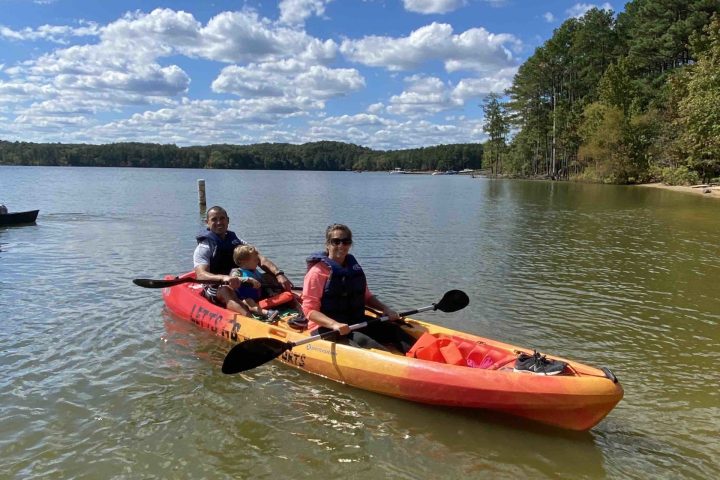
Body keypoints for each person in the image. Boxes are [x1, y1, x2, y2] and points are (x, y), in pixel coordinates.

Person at [302, 223, 415, 353]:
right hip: (327, 328)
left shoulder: (353, 268)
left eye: (346, 241)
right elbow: (309, 310)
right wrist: (334, 324)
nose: (341, 245)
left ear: (350, 244)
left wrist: (386, 309)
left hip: (356, 321)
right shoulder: (316, 273)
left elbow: (366, 296)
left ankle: (424, 356)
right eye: (336, 241)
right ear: (327, 244)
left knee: (395, 331)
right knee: (365, 342)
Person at [193, 205, 292, 316]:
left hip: (242, 280)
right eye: (214, 219)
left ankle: (293, 305)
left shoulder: (236, 240)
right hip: (217, 286)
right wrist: (225, 278)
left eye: (222, 218)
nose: (219, 222)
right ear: (207, 222)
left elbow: (260, 259)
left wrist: (279, 274)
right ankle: (249, 318)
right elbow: (200, 275)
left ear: (228, 220)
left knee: (270, 276)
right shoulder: (204, 247)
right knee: (226, 290)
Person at [229, 244, 279, 321]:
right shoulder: (237, 272)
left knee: (268, 277)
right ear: (243, 261)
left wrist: (270, 291)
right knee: (249, 301)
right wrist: (248, 279)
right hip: (244, 299)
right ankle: (267, 313)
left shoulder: (256, 271)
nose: (258, 261)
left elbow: (264, 284)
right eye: (255, 260)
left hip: (258, 296)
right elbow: (233, 279)